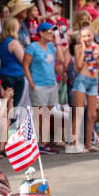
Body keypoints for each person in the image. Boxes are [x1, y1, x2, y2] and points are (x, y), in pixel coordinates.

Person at [71, 26, 99, 150]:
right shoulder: (78, 48)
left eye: (89, 35)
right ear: (80, 38)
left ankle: (88, 144)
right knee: (79, 112)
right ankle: (74, 144)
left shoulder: (98, 48)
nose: (87, 38)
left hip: (94, 81)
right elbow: (78, 66)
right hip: (82, 80)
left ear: (93, 36)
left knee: (92, 114)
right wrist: (83, 49)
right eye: (84, 36)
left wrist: (96, 57)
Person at [28, 22, 63, 150]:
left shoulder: (51, 47)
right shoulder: (32, 47)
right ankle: (36, 142)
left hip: (51, 83)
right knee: (38, 114)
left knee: (48, 113)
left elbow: (61, 60)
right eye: (49, 31)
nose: (51, 34)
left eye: (52, 31)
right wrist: (31, 82)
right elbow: (25, 65)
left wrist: (58, 42)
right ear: (41, 33)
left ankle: (44, 141)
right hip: (38, 85)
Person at [0, 16, 31, 105]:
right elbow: (24, 60)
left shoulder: (1, 42)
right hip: (15, 75)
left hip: (4, 74)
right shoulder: (13, 43)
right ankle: (13, 119)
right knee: (16, 104)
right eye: (17, 25)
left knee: (8, 102)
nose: (19, 26)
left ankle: (8, 119)